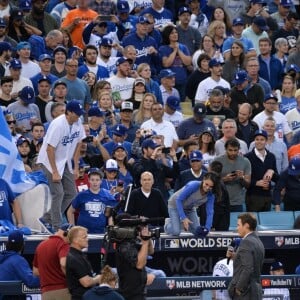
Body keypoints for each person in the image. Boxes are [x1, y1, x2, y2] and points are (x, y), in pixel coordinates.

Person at [37, 100, 86, 233]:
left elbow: (79, 143)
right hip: (49, 161)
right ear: (68, 112)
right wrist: (54, 172)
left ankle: (47, 218)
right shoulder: (58, 124)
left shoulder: (78, 122)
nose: (78, 116)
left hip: (65, 161)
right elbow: (49, 149)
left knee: (71, 193)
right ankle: (56, 226)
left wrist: (75, 166)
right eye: (76, 113)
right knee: (58, 192)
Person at [164, 172, 221, 236]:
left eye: (211, 186)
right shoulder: (194, 185)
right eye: (206, 184)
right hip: (175, 205)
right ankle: (168, 225)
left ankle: (177, 222)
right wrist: (184, 218)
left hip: (189, 208)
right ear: (203, 180)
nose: (207, 188)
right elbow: (179, 200)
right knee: (176, 232)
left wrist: (207, 229)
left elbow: (210, 212)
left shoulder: (211, 195)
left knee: (198, 232)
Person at [115, 215, 155, 300]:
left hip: (139, 290)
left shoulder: (133, 241)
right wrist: (145, 242)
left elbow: (150, 252)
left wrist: (147, 234)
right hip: (130, 294)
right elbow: (139, 265)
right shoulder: (124, 245)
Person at [67, 168, 117, 234]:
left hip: (100, 233)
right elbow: (70, 211)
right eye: (92, 180)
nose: (95, 182)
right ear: (88, 180)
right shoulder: (81, 195)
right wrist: (72, 229)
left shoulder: (108, 196)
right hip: (82, 233)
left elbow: (110, 216)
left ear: (101, 181)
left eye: (97, 180)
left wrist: (110, 231)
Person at [228, 212, 265, 299]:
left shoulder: (246, 242)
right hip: (256, 291)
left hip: (245, 292)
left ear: (247, 225)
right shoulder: (258, 241)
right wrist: (234, 256)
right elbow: (249, 261)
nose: (237, 228)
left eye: (238, 225)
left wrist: (238, 287)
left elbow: (248, 268)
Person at [33, 224, 72, 300]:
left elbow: (36, 271)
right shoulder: (63, 244)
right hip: (63, 291)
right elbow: (63, 264)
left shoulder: (41, 245)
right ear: (66, 233)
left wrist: (50, 272)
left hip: (46, 294)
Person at [245, 130, 278, 212]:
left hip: (267, 195)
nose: (259, 142)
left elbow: (277, 179)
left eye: (262, 139)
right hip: (252, 196)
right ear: (254, 141)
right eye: (257, 139)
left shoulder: (271, 157)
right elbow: (242, 179)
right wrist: (256, 183)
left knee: (267, 222)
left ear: (266, 141)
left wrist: (272, 171)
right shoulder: (247, 157)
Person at [214, 138, 251, 212]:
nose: (233, 153)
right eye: (230, 150)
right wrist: (225, 179)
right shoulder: (217, 161)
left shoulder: (245, 161)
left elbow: (248, 185)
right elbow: (212, 182)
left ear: (239, 149)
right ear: (225, 149)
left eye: (235, 150)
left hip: (238, 202)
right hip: (221, 201)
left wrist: (242, 178)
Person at [66, 226, 101, 300]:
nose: (87, 239)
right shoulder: (74, 258)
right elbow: (86, 282)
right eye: (84, 237)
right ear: (75, 240)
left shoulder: (79, 255)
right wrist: (99, 278)